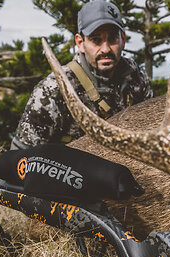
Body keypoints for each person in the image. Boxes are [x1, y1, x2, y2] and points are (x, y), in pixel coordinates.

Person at [11, 0, 153, 150]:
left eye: (112, 39)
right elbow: (20, 155)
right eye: (96, 40)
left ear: (122, 40)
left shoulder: (137, 77)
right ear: (80, 43)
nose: (105, 49)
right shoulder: (53, 89)